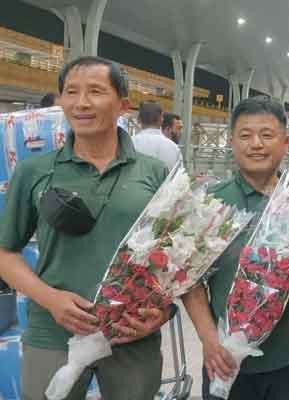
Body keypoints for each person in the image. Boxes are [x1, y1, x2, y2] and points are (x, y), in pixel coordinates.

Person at [0, 56, 172, 399]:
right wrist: (50, 299)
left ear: (123, 104)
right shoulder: (35, 171)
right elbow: (6, 252)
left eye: (95, 91)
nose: (81, 103)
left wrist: (163, 311)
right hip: (53, 334)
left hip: (131, 336)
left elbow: (173, 255)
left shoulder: (153, 172)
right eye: (71, 92)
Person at [182, 96, 289, 400]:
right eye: (245, 135)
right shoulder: (209, 202)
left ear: (285, 142)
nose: (256, 144)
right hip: (223, 359)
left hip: (286, 358)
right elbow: (188, 279)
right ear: (231, 142)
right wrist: (209, 340)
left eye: (267, 135)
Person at [132, 101, 182, 170]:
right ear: (161, 120)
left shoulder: (129, 144)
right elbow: (179, 178)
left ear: (138, 120)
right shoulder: (174, 148)